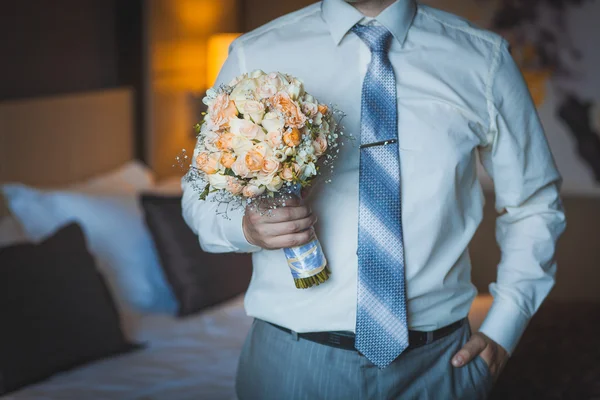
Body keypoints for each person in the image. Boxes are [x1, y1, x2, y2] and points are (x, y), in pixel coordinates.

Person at [181, 0, 566, 398]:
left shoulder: (483, 59)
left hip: (440, 368)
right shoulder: (256, 52)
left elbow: (534, 204)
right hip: (292, 370)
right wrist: (246, 227)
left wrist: (505, 326)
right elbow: (199, 198)